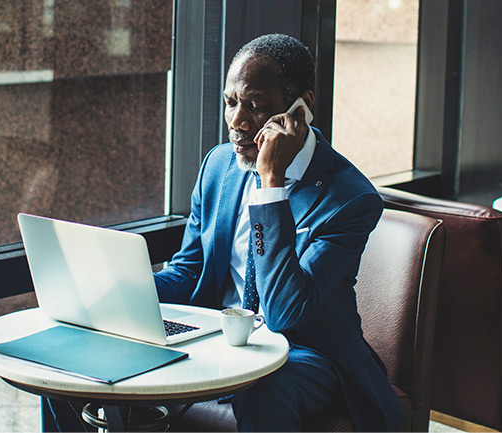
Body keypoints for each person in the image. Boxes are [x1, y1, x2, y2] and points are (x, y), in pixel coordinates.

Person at [152, 33, 406, 431]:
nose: (236, 121)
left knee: (263, 392)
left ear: (300, 109)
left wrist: (272, 186)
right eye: (230, 102)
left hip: (307, 350)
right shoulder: (218, 166)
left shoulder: (349, 199)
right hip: (216, 336)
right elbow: (188, 271)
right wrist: (120, 292)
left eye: (255, 106)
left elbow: (286, 310)